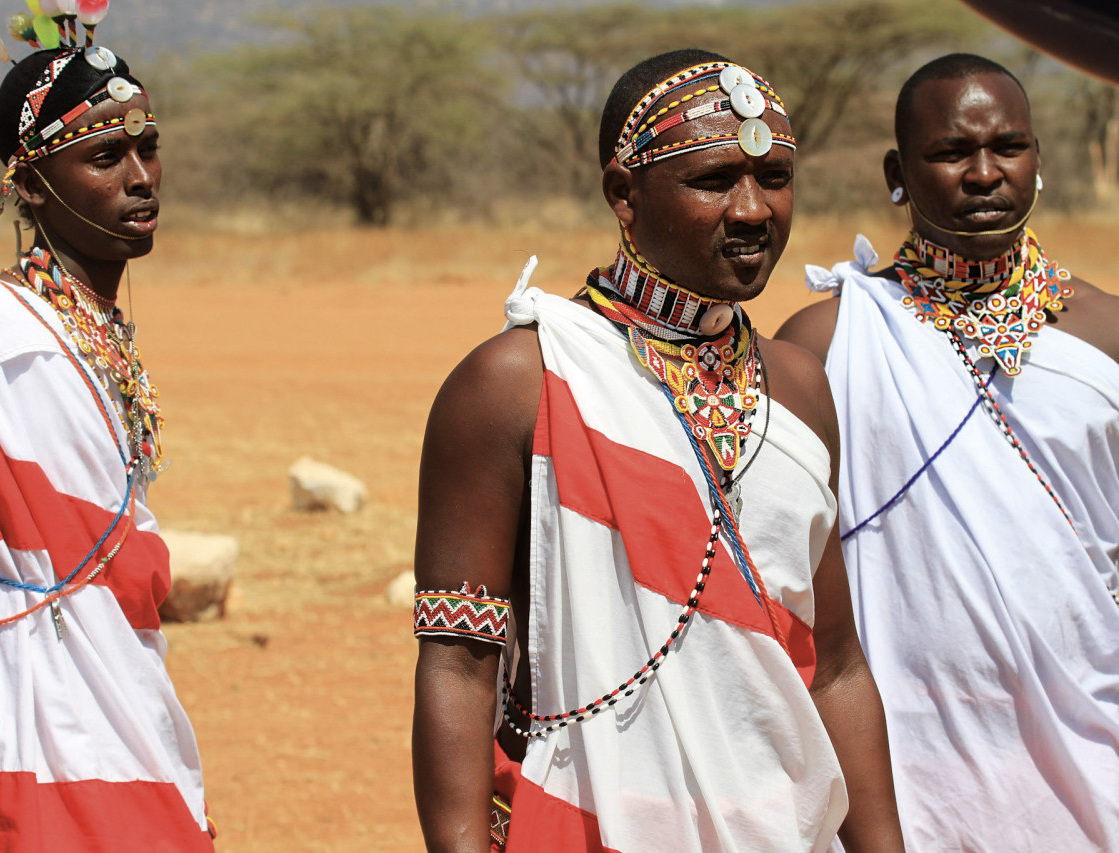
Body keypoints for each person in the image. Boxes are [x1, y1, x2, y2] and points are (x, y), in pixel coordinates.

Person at [412, 48, 904, 853]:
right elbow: (459, 660)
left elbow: (837, 667)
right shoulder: (516, 381)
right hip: (587, 823)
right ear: (623, 194)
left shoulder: (801, 388)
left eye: (774, 177)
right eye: (713, 180)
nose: (753, 210)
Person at [0, 12, 214, 852]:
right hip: (31, 736)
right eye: (106, 157)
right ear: (28, 185)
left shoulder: (97, 333)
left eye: (148, 148)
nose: (142, 178)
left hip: (128, 711)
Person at [777, 53, 1119, 850]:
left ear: (1041, 159)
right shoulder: (827, 344)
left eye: (1009, 146)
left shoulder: (1106, 334)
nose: (984, 172)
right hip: (903, 756)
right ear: (899, 171)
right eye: (951, 152)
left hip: (1094, 735)